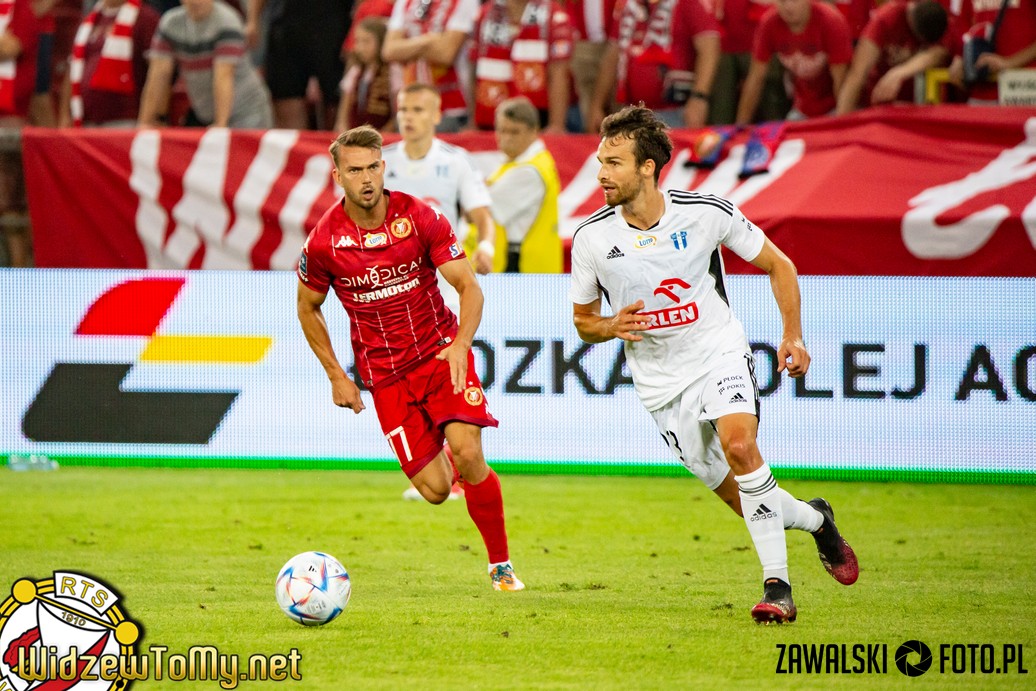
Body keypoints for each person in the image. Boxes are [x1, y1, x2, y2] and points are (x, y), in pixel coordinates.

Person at [569, 105, 858, 623]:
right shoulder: (591, 237)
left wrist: (792, 335)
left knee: (741, 447)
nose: (601, 174)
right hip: (660, 384)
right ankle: (817, 520)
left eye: (613, 163)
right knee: (745, 500)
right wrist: (610, 325)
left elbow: (779, 265)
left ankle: (778, 589)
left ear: (647, 168)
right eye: (600, 162)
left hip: (717, 351)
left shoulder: (705, 212)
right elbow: (583, 321)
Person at [296, 124, 524, 592]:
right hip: (385, 377)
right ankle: (444, 446)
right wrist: (337, 375)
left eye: (373, 168)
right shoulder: (323, 243)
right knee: (436, 491)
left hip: (440, 356)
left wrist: (461, 344)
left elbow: (468, 286)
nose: (366, 179)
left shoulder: (419, 217)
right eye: (354, 170)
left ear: (384, 167)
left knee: (469, 454)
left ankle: (500, 565)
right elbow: (307, 307)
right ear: (337, 176)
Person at [381, 82, 497, 501]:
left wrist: (486, 245)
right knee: (410, 378)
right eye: (403, 109)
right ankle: (438, 469)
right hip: (394, 290)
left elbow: (482, 215)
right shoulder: (383, 163)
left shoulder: (455, 162)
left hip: (442, 284)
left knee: (445, 374)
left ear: (435, 116)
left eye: (417, 109)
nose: (408, 117)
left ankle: (458, 468)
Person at [587, 0, 721, 133]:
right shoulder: (629, 6)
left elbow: (709, 48)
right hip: (631, 113)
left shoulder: (689, 3)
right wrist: (597, 105)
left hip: (673, 112)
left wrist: (699, 98)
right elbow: (612, 55)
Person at [138, 0, 272, 128]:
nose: (196, 2)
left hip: (247, 112)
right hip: (207, 113)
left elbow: (224, 75)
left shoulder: (227, 22)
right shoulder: (169, 24)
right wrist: (144, 122)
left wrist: (220, 124)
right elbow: (158, 75)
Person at [736, 0, 853, 123]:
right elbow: (755, 79)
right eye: (782, 1)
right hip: (801, 109)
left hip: (836, 108)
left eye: (795, 0)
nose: (788, 7)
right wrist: (740, 126)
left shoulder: (831, 21)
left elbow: (841, 82)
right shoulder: (769, 23)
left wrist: (841, 124)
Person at [244, 0, 352, 130]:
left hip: (334, 25)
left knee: (336, 104)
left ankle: (336, 142)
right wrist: (252, 20)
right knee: (286, 99)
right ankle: (294, 143)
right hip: (287, 25)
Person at [470, 0, 574, 133]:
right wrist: (474, 123)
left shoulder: (554, 15)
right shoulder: (485, 14)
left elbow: (559, 73)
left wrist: (556, 125)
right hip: (491, 119)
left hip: (537, 120)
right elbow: (474, 72)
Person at [485, 95, 562, 273]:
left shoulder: (529, 171)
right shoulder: (524, 163)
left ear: (533, 131)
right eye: (502, 130)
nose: (506, 138)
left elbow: (482, 210)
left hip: (523, 267)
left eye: (514, 132)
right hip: (528, 265)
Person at [381, 0, 480, 133]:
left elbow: (446, 54)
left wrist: (407, 47)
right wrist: (428, 41)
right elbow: (389, 51)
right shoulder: (405, 2)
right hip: (410, 104)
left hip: (450, 108)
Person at [836, 0, 951, 114]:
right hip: (878, 102)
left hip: (917, 106)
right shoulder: (886, 19)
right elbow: (858, 74)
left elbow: (939, 54)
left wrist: (899, 73)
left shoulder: (937, 16)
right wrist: (841, 120)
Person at [61, 0, 161, 127]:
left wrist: (147, 120)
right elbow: (73, 68)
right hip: (85, 120)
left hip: (126, 120)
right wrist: (65, 115)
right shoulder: (89, 20)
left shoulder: (146, 18)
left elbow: (157, 73)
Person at [0, 0, 42, 268]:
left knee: (12, 201)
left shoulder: (22, 10)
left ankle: (19, 272)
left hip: (10, 119)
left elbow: (11, 48)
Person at [948, 0, 1036, 104]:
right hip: (982, 90)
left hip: (1024, 87)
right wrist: (959, 57)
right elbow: (964, 27)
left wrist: (1009, 63)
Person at [334, 16, 394, 133]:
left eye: (366, 41)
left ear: (381, 41)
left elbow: (397, 113)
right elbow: (343, 111)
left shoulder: (392, 72)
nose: (360, 47)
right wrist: (344, 131)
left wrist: (382, 135)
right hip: (355, 134)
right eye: (357, 41)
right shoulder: (356, 71)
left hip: (382, 135)